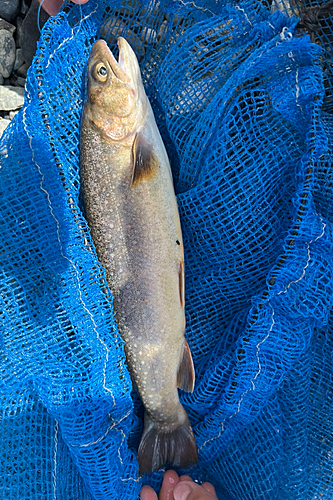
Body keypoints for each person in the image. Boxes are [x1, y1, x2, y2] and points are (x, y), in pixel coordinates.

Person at [36, 1, 220, 498]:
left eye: (102, 72)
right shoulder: (122, 137)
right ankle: (165, 419)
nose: (108, 65)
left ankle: (166, 416)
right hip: (148, 294)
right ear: (105, 118)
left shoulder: (120, 137)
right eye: (103, 74)